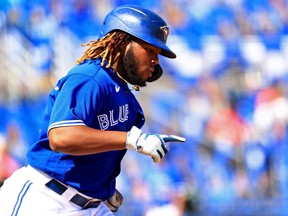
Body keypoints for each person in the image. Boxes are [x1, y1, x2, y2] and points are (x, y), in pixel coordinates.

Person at [0, 4, 185, 216]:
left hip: (92, 206)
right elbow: (61, 137)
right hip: (46, 200)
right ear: (121, 42)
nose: (155, 60)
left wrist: (103, 188)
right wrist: (132, 139)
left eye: (158, 53)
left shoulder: (124, 96)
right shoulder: (90, 78)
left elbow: (98, 149)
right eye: (150, 50)